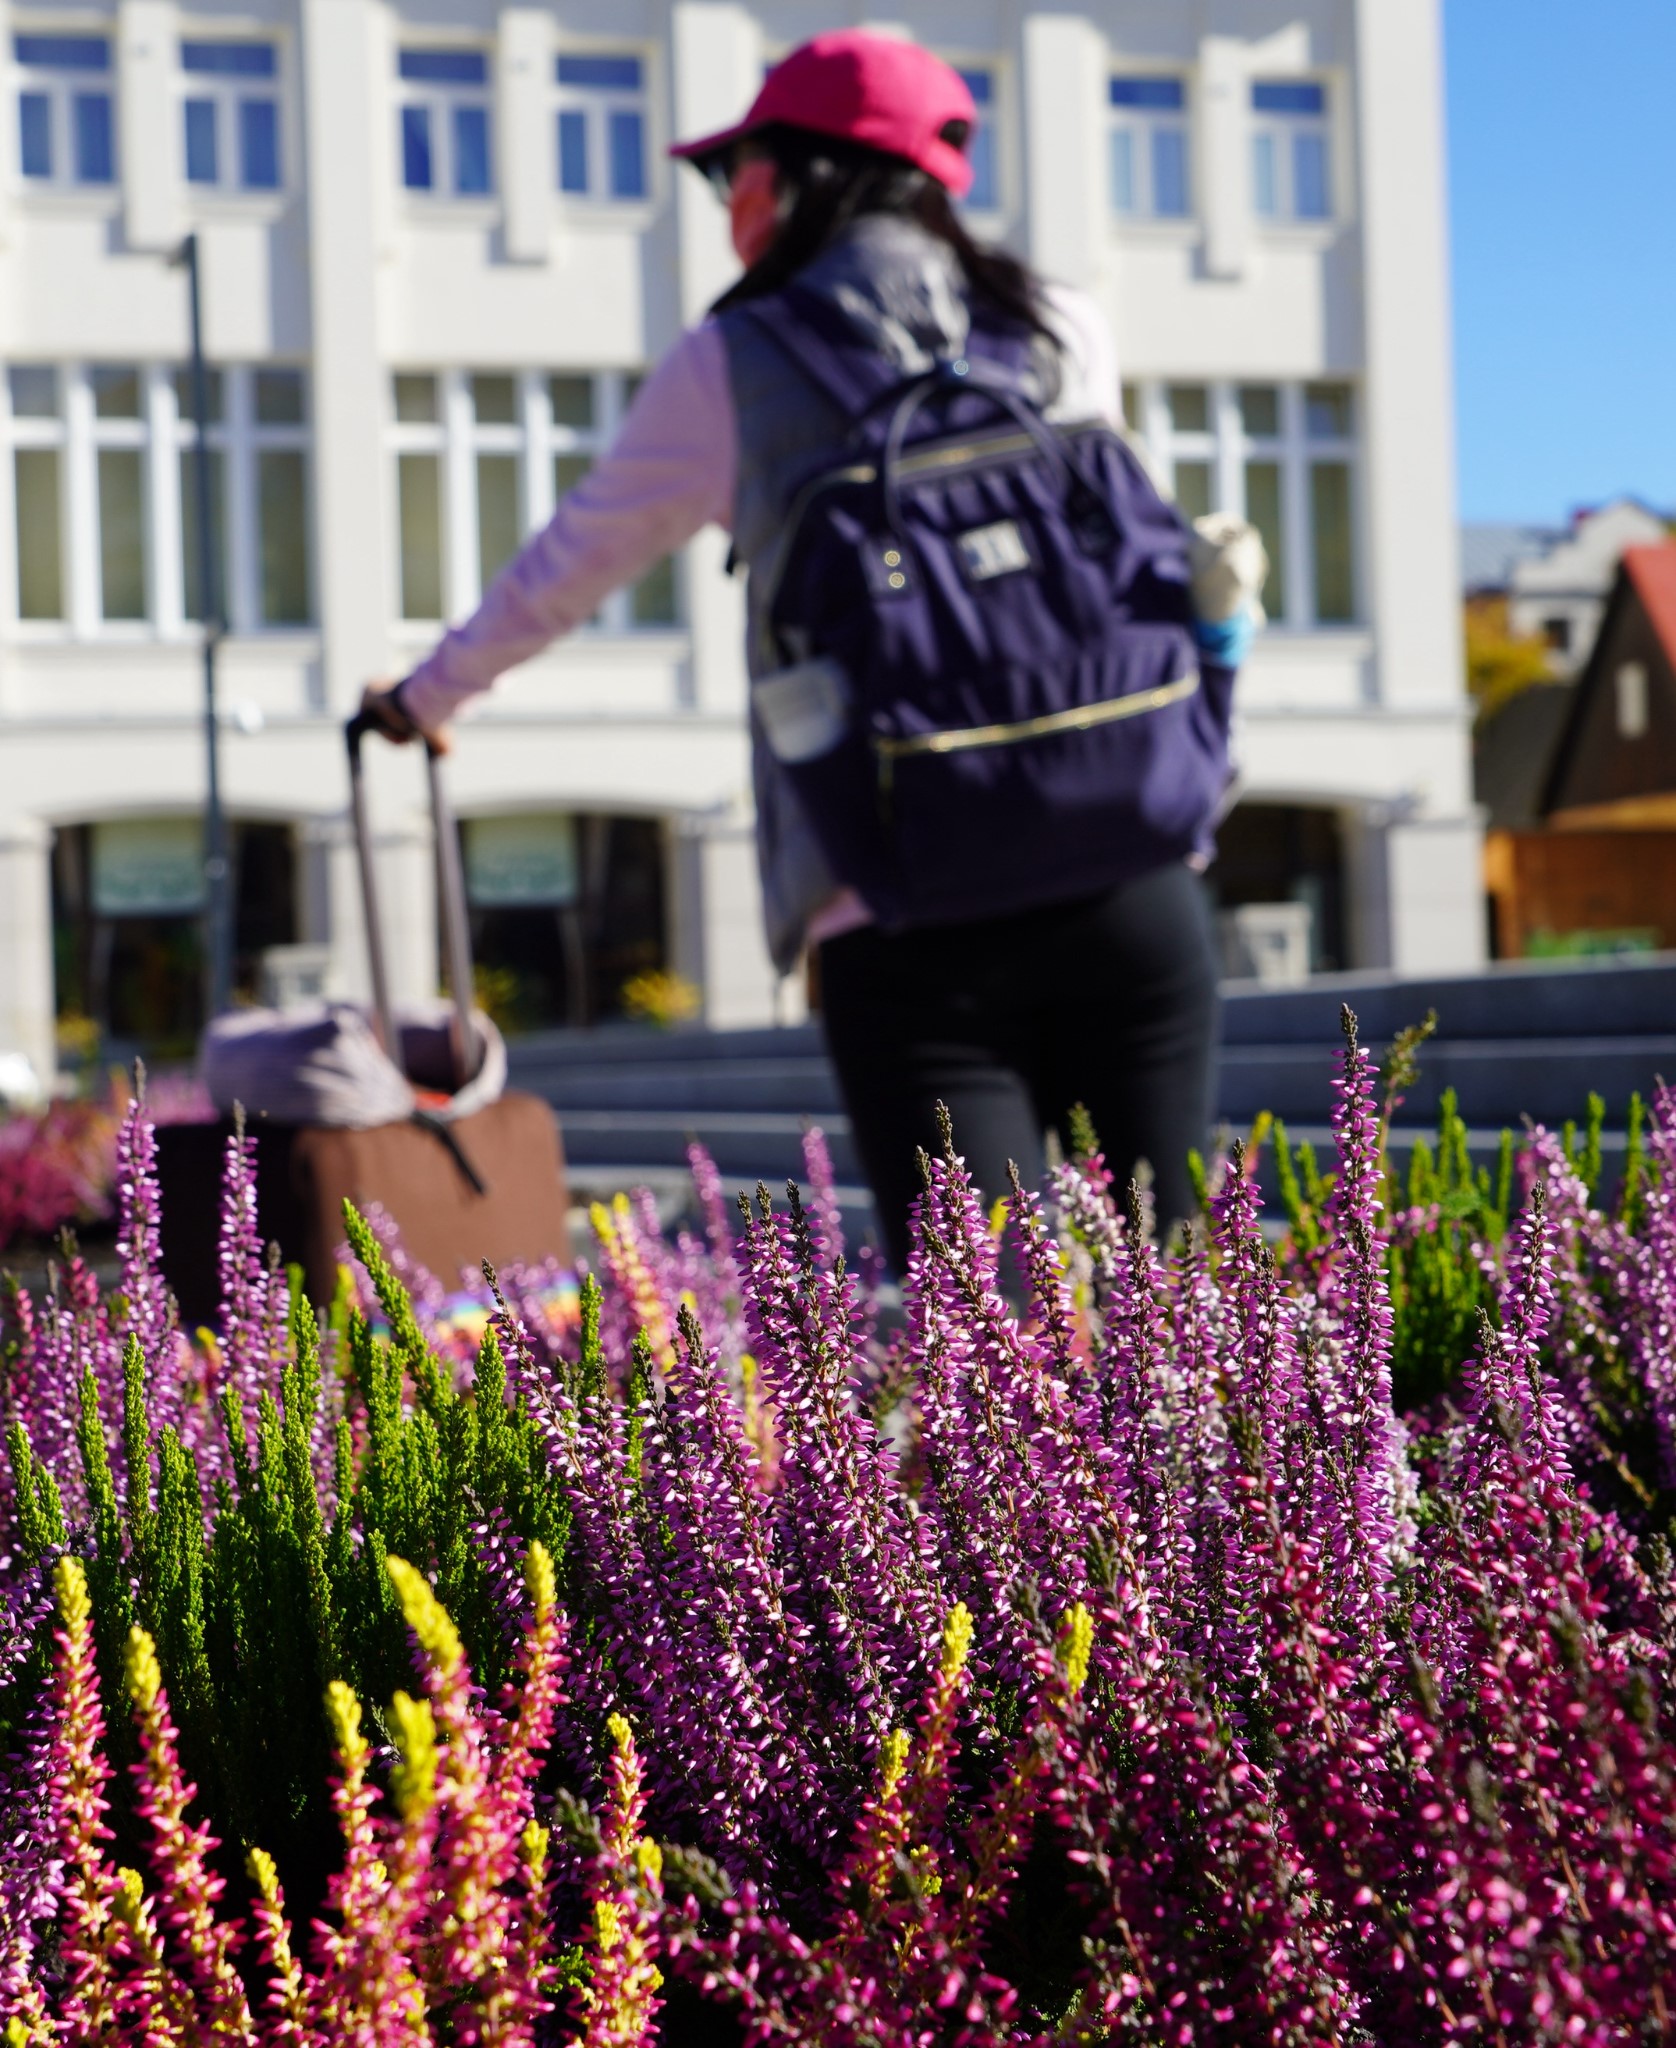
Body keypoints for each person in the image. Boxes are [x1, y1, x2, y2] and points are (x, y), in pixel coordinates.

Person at [361, 30, 1257, 1275]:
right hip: (1133, 871)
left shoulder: (732, 362)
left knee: (986, 1349)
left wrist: (422, 695)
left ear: (804, 175)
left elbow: (568, 564)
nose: (729, 199)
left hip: (901, 908)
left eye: (738, 166)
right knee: (1179, 1310)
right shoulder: (1053, 321)